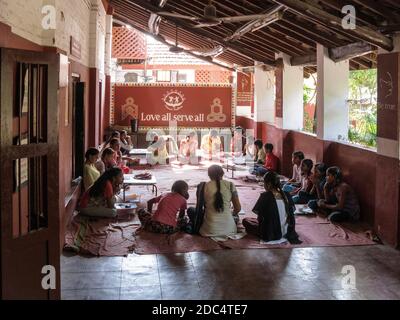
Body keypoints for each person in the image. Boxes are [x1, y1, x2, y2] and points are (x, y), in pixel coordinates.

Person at [243, 171, 300, 244]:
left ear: (269, 184)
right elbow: (291, 214)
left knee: (246, 221)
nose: (264, 185)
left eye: (264, 183)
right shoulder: (287, 195)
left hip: (270, 234)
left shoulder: (265, 196)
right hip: (287, 231)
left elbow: (260, 217)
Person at [194, 165, 242, 239]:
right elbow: (238, 208)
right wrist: (233, 213)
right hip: (230, 230)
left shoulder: (203, 186)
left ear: (209, 175)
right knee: (235, 216)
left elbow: (199, 209)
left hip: (208, 230)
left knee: (191, 210)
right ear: (222, 174)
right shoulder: (231, 185)